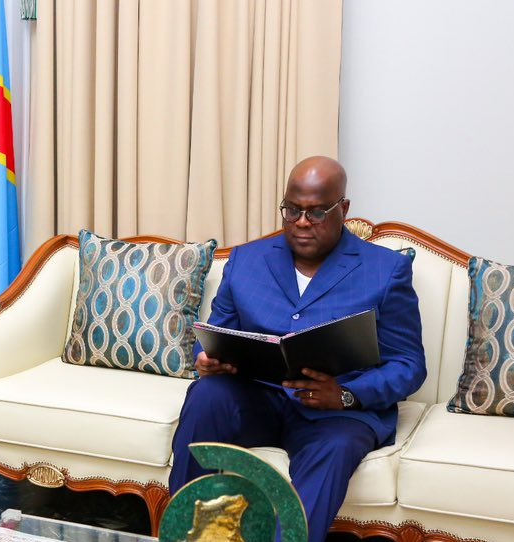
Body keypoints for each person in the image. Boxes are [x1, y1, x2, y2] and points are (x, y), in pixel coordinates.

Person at [169, 156, 425, 542]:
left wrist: (346, 395)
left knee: (337, 447)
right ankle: (185, 534)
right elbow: (216, 333)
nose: (302, 222)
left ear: (344, 209)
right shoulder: (247, 260)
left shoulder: (385, 270)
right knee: (207, 395)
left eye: (317, 211)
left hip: (335, 415)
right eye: (292, 210)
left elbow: (408, 364)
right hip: (259, 397)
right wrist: (207, 361)